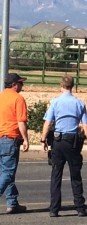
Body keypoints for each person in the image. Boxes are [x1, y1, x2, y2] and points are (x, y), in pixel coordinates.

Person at [40, 75, 87, 217]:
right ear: (72, 86)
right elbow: (86, 125)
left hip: (58, 141)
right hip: (73, 142)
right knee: (75, 175)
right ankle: (80, 208)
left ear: (61, 86)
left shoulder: (55, 102)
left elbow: (48, 123)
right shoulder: (79, 103)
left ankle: (54, 209)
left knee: (56, 175)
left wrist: (43, 139)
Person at [0, 73, 29, 214]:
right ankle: (12, 202)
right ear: (14, 85)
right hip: (10, 138)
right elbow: (21, 121)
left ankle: (12, 203)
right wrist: (26, 139)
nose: (22, 86)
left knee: (6, 172)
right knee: (8, 172)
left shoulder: (1, 97)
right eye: (20, 83)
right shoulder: (18, 98)